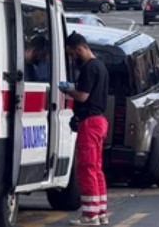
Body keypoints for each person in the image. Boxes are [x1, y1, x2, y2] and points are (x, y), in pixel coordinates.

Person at [61, 32, 110, 226]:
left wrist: (67, 90)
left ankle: (90, 215)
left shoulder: (89, 68)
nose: (73, 58)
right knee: (96, 169)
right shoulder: (100, 66)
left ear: (80, 48)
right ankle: (100, 211)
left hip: (89, 123)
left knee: (86, 168)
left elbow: (82, 96)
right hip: (99, 122)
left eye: (73, 54)